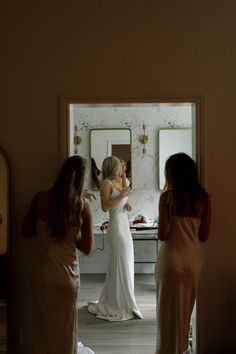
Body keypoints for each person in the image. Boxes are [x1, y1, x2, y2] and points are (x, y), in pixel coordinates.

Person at [22, 155, 94, 354]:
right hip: (67, 276)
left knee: (43, 327)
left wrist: (47, 230)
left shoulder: (40, 198)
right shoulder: (83, 207)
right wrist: (70, 235)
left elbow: (26, 231)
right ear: (81, 180)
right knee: (66, 329)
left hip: (43, 275)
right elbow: (87, 248)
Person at [155, 153, 211, 354]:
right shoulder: (204, 199)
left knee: (166, 313)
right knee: (186, 311)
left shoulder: (167, 198)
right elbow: (203, 235)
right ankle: (182, 349)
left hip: (171, 259)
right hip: (193, 260)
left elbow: (163, 234)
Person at [88, 156, 143, 321]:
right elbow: (105, 207)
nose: (121, 168)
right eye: (119, 166)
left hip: (124, 224)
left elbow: (123, 196)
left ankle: (125, 300)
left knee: (125, 261)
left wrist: (126, 204)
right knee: (119, 261)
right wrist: (121, 197)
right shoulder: (106, 183)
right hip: (116, 226)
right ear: (113, 167)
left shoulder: (120, 180)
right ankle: (117, 303)